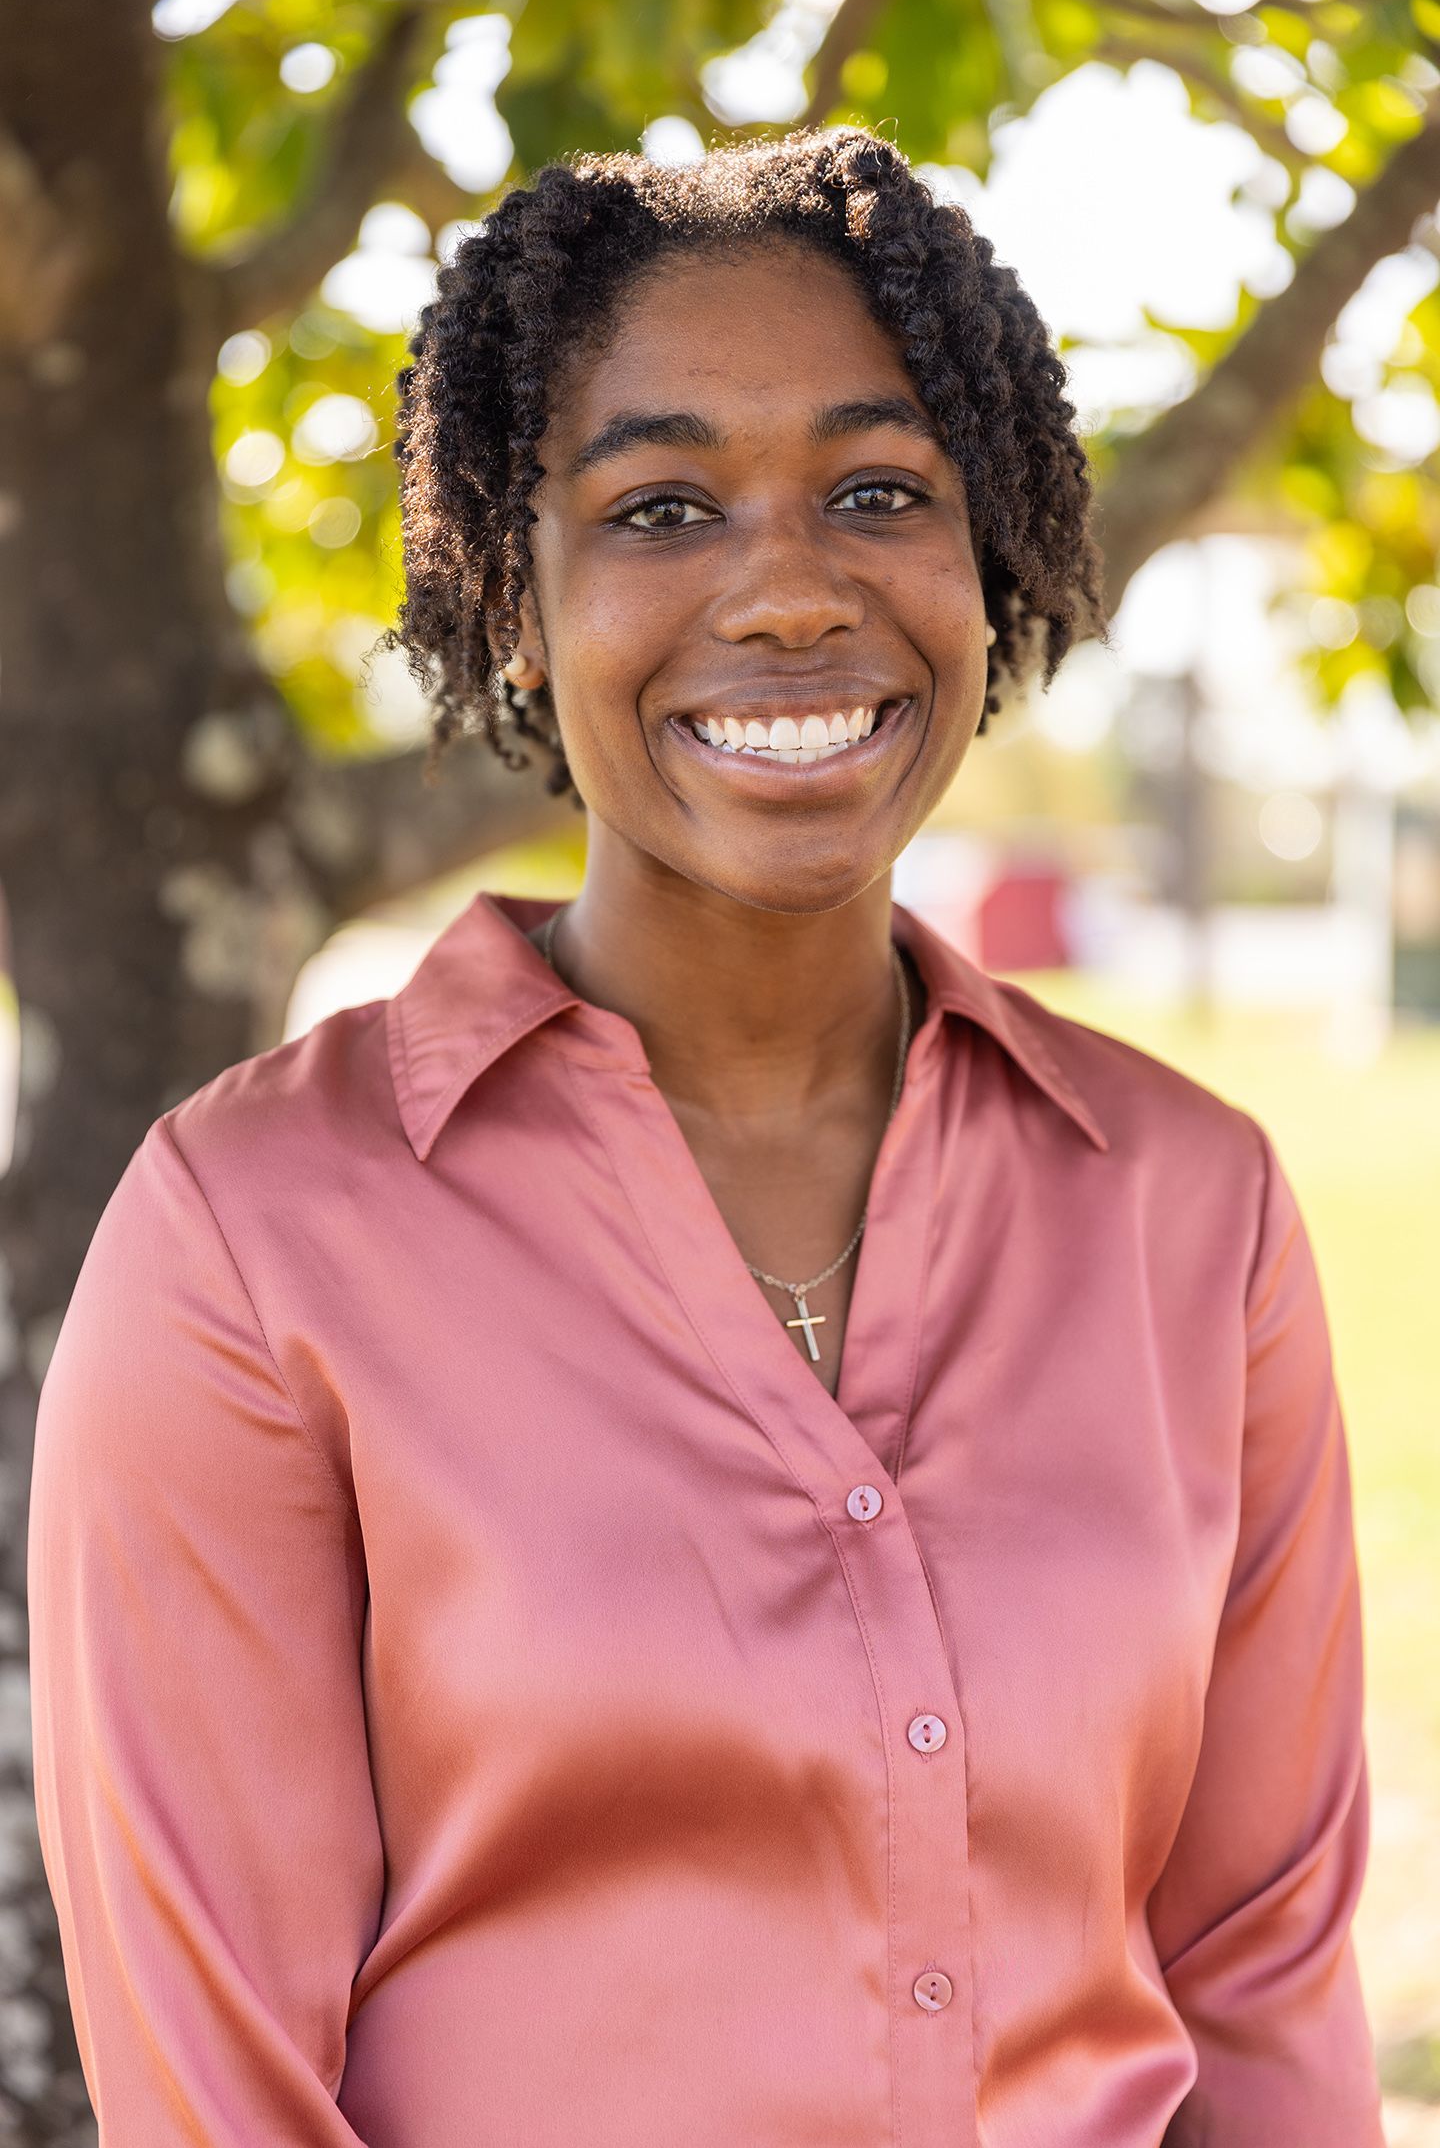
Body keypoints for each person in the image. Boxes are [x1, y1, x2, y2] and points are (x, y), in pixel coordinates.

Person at [27, 127, 1385, 2146]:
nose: (791, 590)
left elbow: (1264, 2003)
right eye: (661, 507)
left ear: (988, 557)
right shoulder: (255, 1235)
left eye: (879, 492)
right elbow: (217, 2090)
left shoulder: (1194, 1211)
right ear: (513, 596)